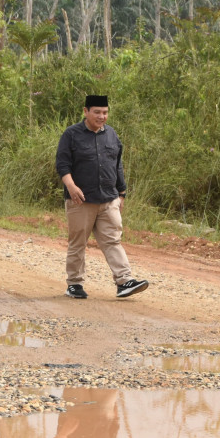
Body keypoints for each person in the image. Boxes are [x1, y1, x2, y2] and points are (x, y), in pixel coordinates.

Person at [54, 94, 149, 300]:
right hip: (81, 201)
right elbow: (62, 164)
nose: (102, 116)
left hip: (108, 199)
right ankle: (74, 284)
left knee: (113, 240)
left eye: (105, 112)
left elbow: (117, 164)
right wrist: (71, 186)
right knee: (78, 242)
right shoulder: (71, 135)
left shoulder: (112, 134)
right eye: (97, 112)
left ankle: (124, 281)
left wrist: (121, 193)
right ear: (85, 111)